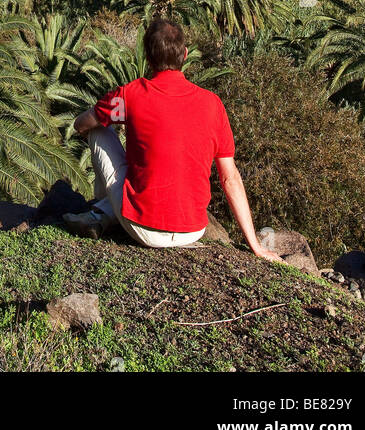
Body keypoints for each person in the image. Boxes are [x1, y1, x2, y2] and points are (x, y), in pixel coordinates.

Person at [64, 17, 282, 258]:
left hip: (143, 228)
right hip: (193, 230)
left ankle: (101, 212)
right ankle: (104, 212)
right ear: (185, 54)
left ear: (147, 57)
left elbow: (81, 124)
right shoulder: (213, 104)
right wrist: (255, 244)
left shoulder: (128, 96)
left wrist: (104, 120)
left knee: (99, 129)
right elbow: (230, 178)